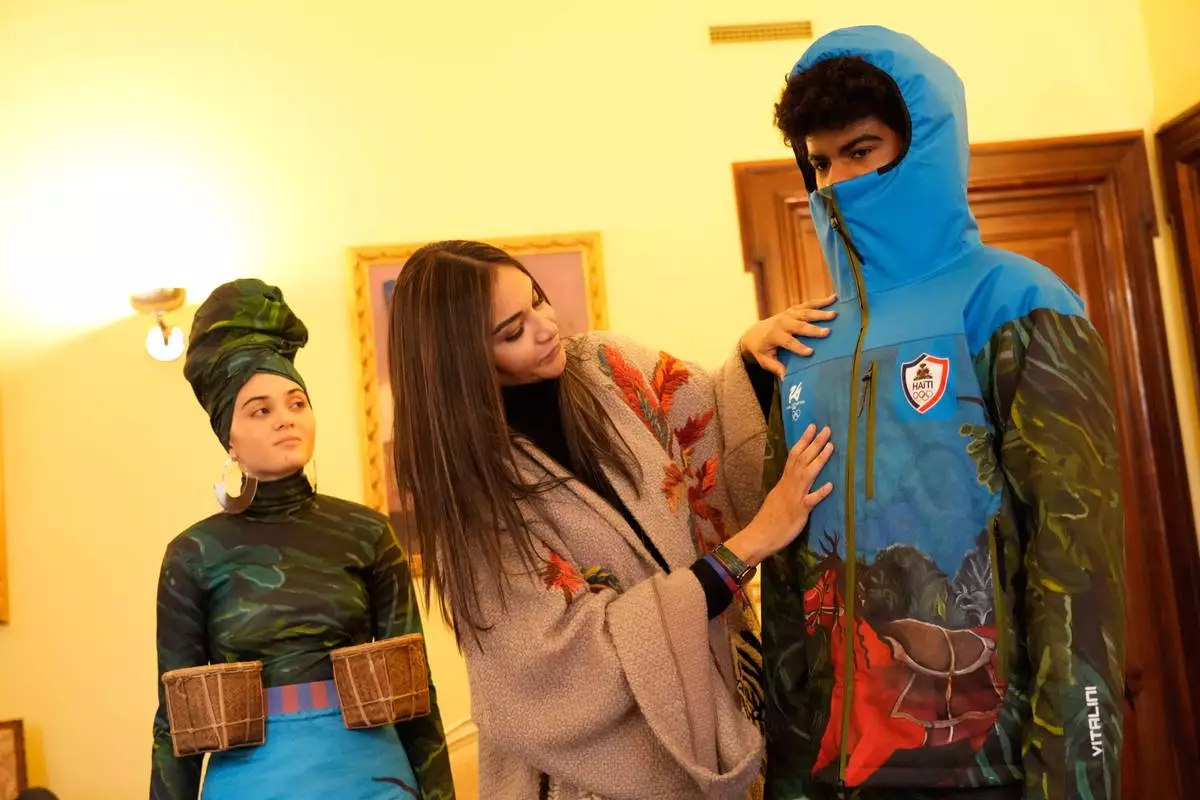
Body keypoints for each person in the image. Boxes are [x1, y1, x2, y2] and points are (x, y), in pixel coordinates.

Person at [761, 26, 1126, 800]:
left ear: (920, 145)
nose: (836, 183)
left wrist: (1078, 780)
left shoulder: (1015, 302)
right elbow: (789, 583)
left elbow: (1077, 569)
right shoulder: (804, 346)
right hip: (843, 776)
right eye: (821, 162)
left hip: (996, 768)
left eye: (861, 151)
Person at [385, 240, 838, 799]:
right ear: (460, 361)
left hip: (721, 703)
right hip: (587, 782)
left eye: (538, 300)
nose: (548, 326)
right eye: (512, 331)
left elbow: (710, 422)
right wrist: (750, 545)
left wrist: (750, 359)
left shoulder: (608, 365)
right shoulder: (473, 495)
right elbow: (555, 665)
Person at [150, 279, 454, 800]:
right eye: (260, 410)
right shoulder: (193, 555)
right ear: (230, 437)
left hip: (374, 776)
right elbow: (174, 719)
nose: (285, 419)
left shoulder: (367, 534)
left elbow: (417, 687)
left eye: (296, 402)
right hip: (251, 781)